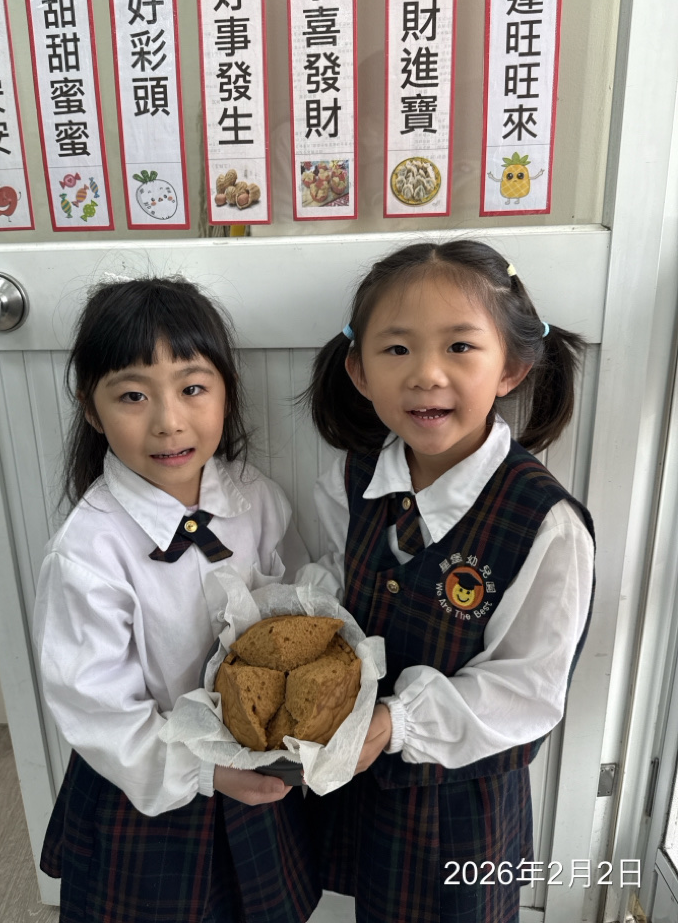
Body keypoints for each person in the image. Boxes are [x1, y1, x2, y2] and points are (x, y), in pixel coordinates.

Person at [303, 239, 595, 923]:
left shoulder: (544, 522)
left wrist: (399, 721)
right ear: (359, 370)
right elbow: (329, 590)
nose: (427, 375)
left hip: (464, 806)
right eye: (397, 349)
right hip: (362, 783)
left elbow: (527, 689)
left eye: (460, 347)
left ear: (512, 366)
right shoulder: (348, 482)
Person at [33, 276, 321, 923]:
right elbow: (96, 707)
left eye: (192, 388)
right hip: (149, 784)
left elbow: (296, 612)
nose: (168, 422)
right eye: (133, 396)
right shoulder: (88, 551)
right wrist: (203, 772)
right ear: (91, 409)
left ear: (226, 392)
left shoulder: (256, 499)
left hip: (254, 762)